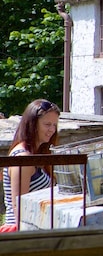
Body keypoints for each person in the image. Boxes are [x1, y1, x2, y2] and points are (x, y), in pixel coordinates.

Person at [3, 99, 61, 231]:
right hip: (21, 232)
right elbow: (19, 208)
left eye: (54, 125)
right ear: (33, 124)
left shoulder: (36, 154)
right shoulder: (23, 159)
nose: (52, 130)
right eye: (47, 124)